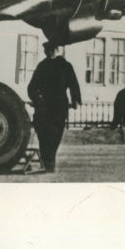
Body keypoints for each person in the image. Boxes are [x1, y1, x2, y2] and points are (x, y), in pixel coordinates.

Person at [28, 42, 81, 172]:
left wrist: (75, 100)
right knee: (45, 134)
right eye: (48, 51)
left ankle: (49, 163)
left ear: (57, 50)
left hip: (57, 106)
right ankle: (48, 163)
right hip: (46, 106)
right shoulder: (43, 66)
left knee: (55, 135)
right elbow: (32, 88)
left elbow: (73, 84)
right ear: (45, 52)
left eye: (52, 50)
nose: (50, 52)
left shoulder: (65, 66)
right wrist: (37, 99)